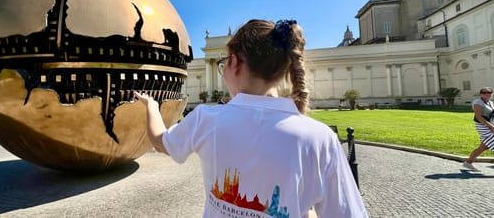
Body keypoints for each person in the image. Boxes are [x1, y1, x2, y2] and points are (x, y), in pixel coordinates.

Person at [134, 19, 367, 217]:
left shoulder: (206, 119)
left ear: (234, 63)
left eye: (223, 63)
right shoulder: (319, 138)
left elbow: (160, 140)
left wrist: (151, 105)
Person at [463, 87, 494, 171]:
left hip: (490, 125)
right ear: (481, 94)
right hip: (483, 126)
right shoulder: (478, 102)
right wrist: (491, 127)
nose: (487, 94)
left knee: (483, 147)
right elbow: (478, 117)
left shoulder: (490, 102)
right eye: (484, 93)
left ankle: (468, 163)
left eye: (489, 93)